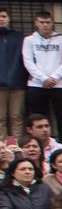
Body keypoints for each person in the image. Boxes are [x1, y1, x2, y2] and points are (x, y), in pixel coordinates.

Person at [23, 11, 62, 142]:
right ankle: (39, 145)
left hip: (59, 85)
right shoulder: (29, 40)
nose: (45, 25)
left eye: (48, 22)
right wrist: (43, 78)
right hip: (37, 85)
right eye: (42, 22)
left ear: (52, 23)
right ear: (36, 23)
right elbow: (28, 61)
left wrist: (54, 77)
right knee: (38, 119)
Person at [0, 10, 25, 140]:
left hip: (17, 83)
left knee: (17, 116)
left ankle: (16, 148)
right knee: (0, 118)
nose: (1, 19)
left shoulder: (18, 36)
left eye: (4, 16)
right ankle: (1, 149)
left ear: (9, 18)